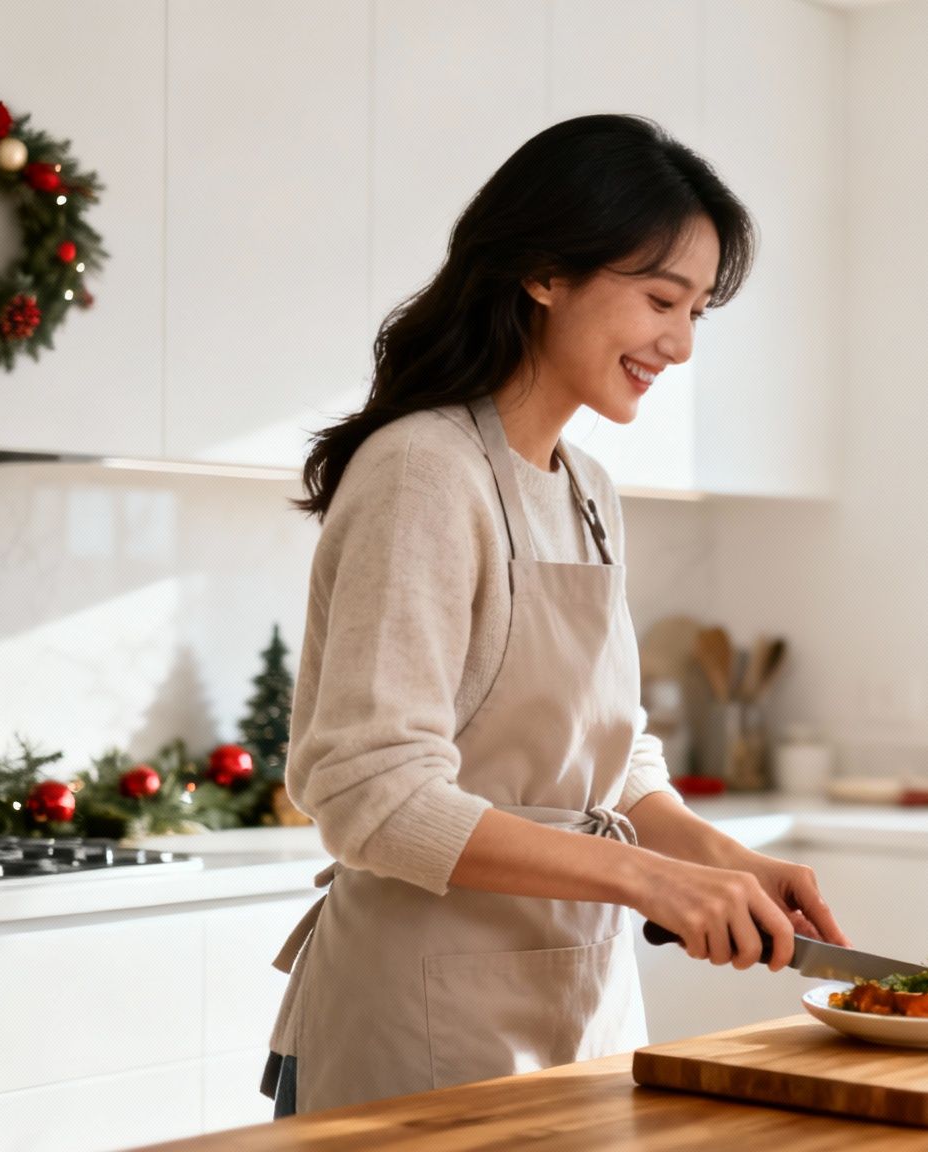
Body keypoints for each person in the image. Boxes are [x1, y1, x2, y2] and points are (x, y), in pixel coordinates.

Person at [263, 115, 845, 1116]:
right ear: (542, 272)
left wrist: (721, 861)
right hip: (417, 1023)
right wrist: (648, 882)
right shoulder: (422, 470)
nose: (680, 342)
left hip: (579, 1007)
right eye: (661, 299)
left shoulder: (585, 487)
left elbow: (613, 764)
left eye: (697, 310)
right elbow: (372, 795)